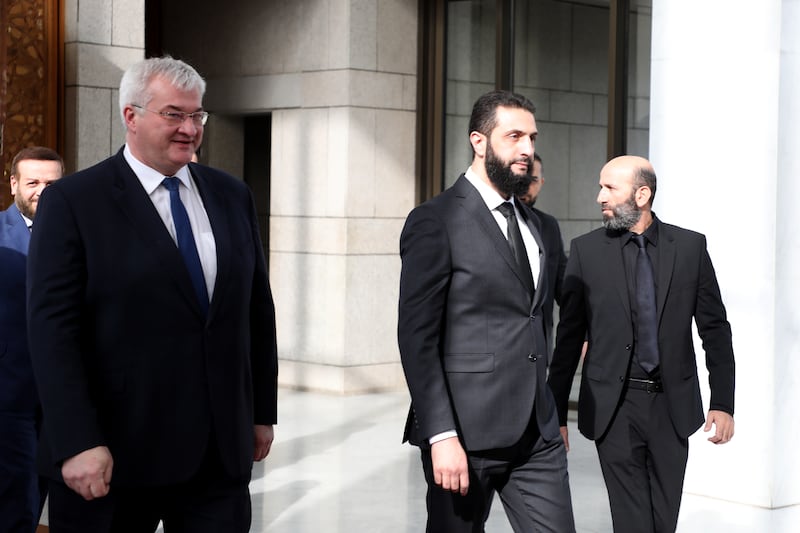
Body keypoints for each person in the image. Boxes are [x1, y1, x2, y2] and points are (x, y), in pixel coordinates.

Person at [26, 56, 278, 533]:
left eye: (197, 115)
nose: (189, 128)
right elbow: (52, 331)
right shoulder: (74, 202)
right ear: (131, 116)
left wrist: (261, 411)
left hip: (216, 455)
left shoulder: (231, 195)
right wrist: (76, 440)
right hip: (112, 458)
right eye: (174, 114)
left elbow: (255, 311)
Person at [398, 89, 575, 532]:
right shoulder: (434, 220)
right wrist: (441, 436)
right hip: (464, 434)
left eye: (532, 138)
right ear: (479, 141)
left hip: (537, 434)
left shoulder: (542, 227)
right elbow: (417, 338)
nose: (527, 149)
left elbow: (562, 310)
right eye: (514, 136)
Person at [548, 155, 735, 532]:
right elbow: (568, 339)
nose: (600, 196)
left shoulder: (690, 248)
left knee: (663, 521)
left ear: (642, 194)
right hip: (613, 409)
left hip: (672, 406)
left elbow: (714, 328)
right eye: (601, 186)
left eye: (610, 188)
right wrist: (555, 412)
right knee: (632, 521)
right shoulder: (585, 252)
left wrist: (723, 402)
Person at [0, 146, 63, 533]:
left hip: (62, 399)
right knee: (17, 503)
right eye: (33, 182)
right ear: (13, 185)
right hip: (10, 396)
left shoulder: (79, 235)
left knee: (45, 495)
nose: (42, 190)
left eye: (52, 183)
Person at [517, 152, 568, 353]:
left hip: (539, 347)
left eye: (532, 179)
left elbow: (564, 288)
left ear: (542, 182)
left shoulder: (548, 226)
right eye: (521, 178)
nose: (525, 185)